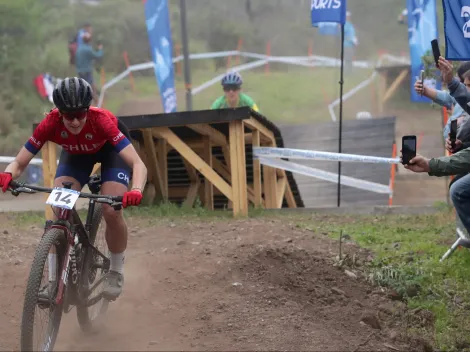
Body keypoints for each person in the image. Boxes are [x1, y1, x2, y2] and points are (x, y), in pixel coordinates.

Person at [0, 77, 147, 301]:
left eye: (80, 114)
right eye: (69, 116)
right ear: (59, 113)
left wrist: (136, 189)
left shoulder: (102, 121)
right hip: (76, 155)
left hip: (111, 152)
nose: (76, 121)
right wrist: (8, 174)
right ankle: (53, 281)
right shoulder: (50, 123)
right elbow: (19, 163)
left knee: (110, 210)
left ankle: (116, 270)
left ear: (88, 109)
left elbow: (138, 164)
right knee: (58, 207)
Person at [414, 61, 470, 141]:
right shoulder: (460, 99)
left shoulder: (465, 105)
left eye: (467, 85)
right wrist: (425, 90)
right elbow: (448, 97)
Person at [75, 32, 103, 104]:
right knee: (92, 87)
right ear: (89, 40)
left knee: (83, 88)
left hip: (80, 71)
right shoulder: (88, 49)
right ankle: (97, 104)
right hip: (87, 71)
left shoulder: (79, 49)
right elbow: (97, 56)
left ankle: (84, 104)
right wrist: (100, 50)